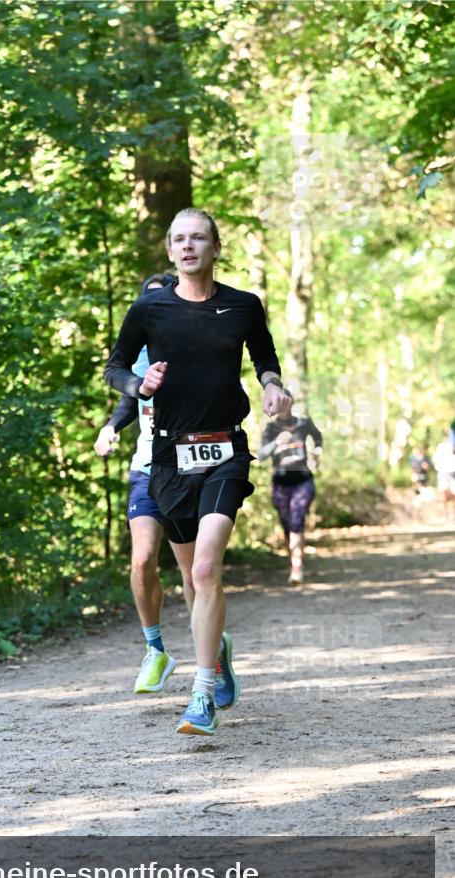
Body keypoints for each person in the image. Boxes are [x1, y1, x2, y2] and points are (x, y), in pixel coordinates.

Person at [104, 207, 291, 736]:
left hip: (225, 451)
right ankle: (219, 651)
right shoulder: (149, 309)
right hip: (167, 458)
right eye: (179, 240)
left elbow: (264, 357)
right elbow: (115, 366)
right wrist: (136, 387)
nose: (188, 247)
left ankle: (202, 694)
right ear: (170, 251)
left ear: (215, 246)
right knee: (190, 577)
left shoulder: (242, 306)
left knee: (206, 570)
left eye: (198, 238)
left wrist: (273, 385)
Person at [95, 273, 197, 695]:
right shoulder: (139, 361)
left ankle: (212, 654)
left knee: (196, 574)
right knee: (141, 561)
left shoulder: (197, 351)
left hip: (189, 472)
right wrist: (111, 427)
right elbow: (130, 400)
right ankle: (156, 650)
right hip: (145, 470)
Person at [258, 403, 323, 585]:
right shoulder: (271, 428)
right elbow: (261, 455)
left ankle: (297, 569)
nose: (283, 408)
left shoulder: (303, 423)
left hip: (303, 481)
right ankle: (293, 563)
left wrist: (316, 454)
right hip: (280, 484)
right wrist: (276, 442)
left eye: (285, 403)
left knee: (296, 520)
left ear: (290, 404)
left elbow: (318, 438)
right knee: (287, 525)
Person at [432, 432, 455, 518]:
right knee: (443, 493)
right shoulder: (440, 447)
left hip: (452, 473)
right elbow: (435, 459)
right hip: (443, 472)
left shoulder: (453, 446)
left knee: (453, 493)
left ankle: (452, 512)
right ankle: (445, 513)